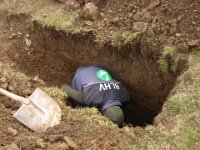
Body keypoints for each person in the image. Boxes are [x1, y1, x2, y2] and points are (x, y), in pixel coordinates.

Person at [61, 65, 130, 127]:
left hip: (99, 68)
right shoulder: (90, 99)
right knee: (80, 105)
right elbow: (64, 87)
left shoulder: (125, 95)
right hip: (81, 72)